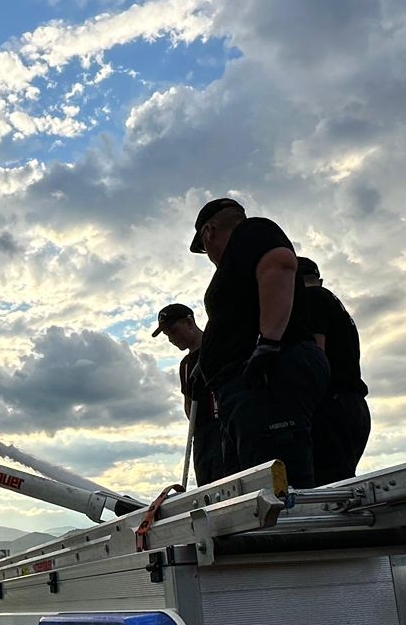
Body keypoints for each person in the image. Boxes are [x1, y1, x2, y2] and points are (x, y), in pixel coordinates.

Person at [190, 197, 333, 487]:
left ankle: (288, 530)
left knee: (276, 485)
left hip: (266, 377)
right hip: (248, 386)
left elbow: (279, 263)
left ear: (209, 233)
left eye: (205, 249)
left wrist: (269, 343)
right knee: (250, 483)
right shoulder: (239, 260)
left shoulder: (252, 232)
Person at [293, 258, 371, 483]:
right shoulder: (337, 307)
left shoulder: (312, 299)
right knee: (342, 481)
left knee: (327, 486)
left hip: (331, 405)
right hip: (353, 404)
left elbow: (317, 352)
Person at [150, 301, 224, 485]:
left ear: (189, 322)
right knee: (206, 483)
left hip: (224, 425)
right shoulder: (185, 365)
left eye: (173, 331)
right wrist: (195, 429)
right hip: (201, 434)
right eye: (167, 335)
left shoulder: (218, 347)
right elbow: (188, 402)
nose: (171, 339)